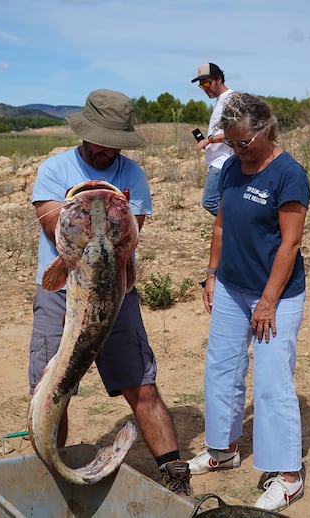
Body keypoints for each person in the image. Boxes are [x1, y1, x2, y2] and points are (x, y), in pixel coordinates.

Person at [28, 89, 191, 496]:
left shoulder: (132, 174)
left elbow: (127, 240)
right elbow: (56, 232)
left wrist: (115, 219)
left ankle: (173, 472)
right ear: (85, 133)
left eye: (115, 142)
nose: (108, 150)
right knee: (52, 388)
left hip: (116, 296)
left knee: (142, 384)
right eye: (102, 140)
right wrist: (94, 216)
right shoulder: (53, 169)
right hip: (61, 294)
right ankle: (51, 475)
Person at [187, 92, 310, 512]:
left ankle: (288, 475)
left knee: (273, 381)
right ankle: (223, 450)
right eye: (231, 142)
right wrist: (210, 275)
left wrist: (268, 301)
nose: (238, 150)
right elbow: (221, 225)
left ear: (265, 130)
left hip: (275, 295)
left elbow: (290, 243)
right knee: (221, 368)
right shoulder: (230, 169)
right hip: (230, 287)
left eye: (244, 142)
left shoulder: (289, 174)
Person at [191, 62, 234, 216]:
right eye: (202, 85)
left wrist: (207, 141)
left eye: (207, 82)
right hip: (217, 161)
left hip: (222, 162)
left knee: (209, 201)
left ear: (219, 79)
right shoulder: (220, 100)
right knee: (225, 201)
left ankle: (240, 226)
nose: (205, 88)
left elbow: (235, 131)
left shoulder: (230, 99)